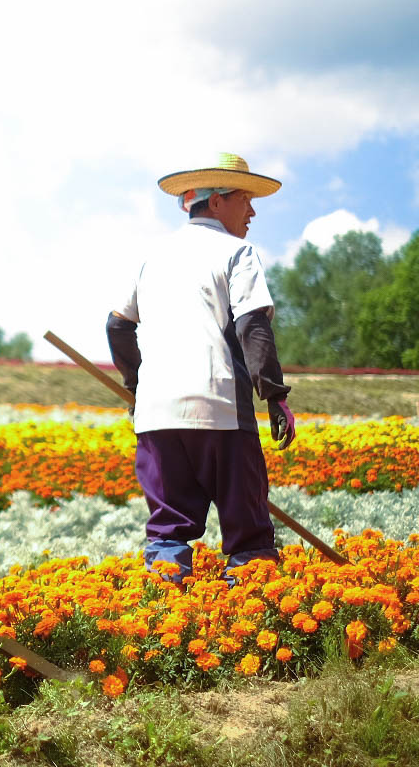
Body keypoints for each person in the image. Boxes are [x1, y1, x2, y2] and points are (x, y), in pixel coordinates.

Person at [106, 152, 297, 584]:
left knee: (169, 533)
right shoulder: (237, 252)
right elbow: (252, 326)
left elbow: (118, 326)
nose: (252, 210)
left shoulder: (152, 258)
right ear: (216, 202)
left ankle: (168, 623)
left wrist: (138, 384)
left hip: (157, 417)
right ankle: (248, 633)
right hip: (221, 411)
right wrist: (275, 394)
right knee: (248, 537)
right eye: (245, 199)